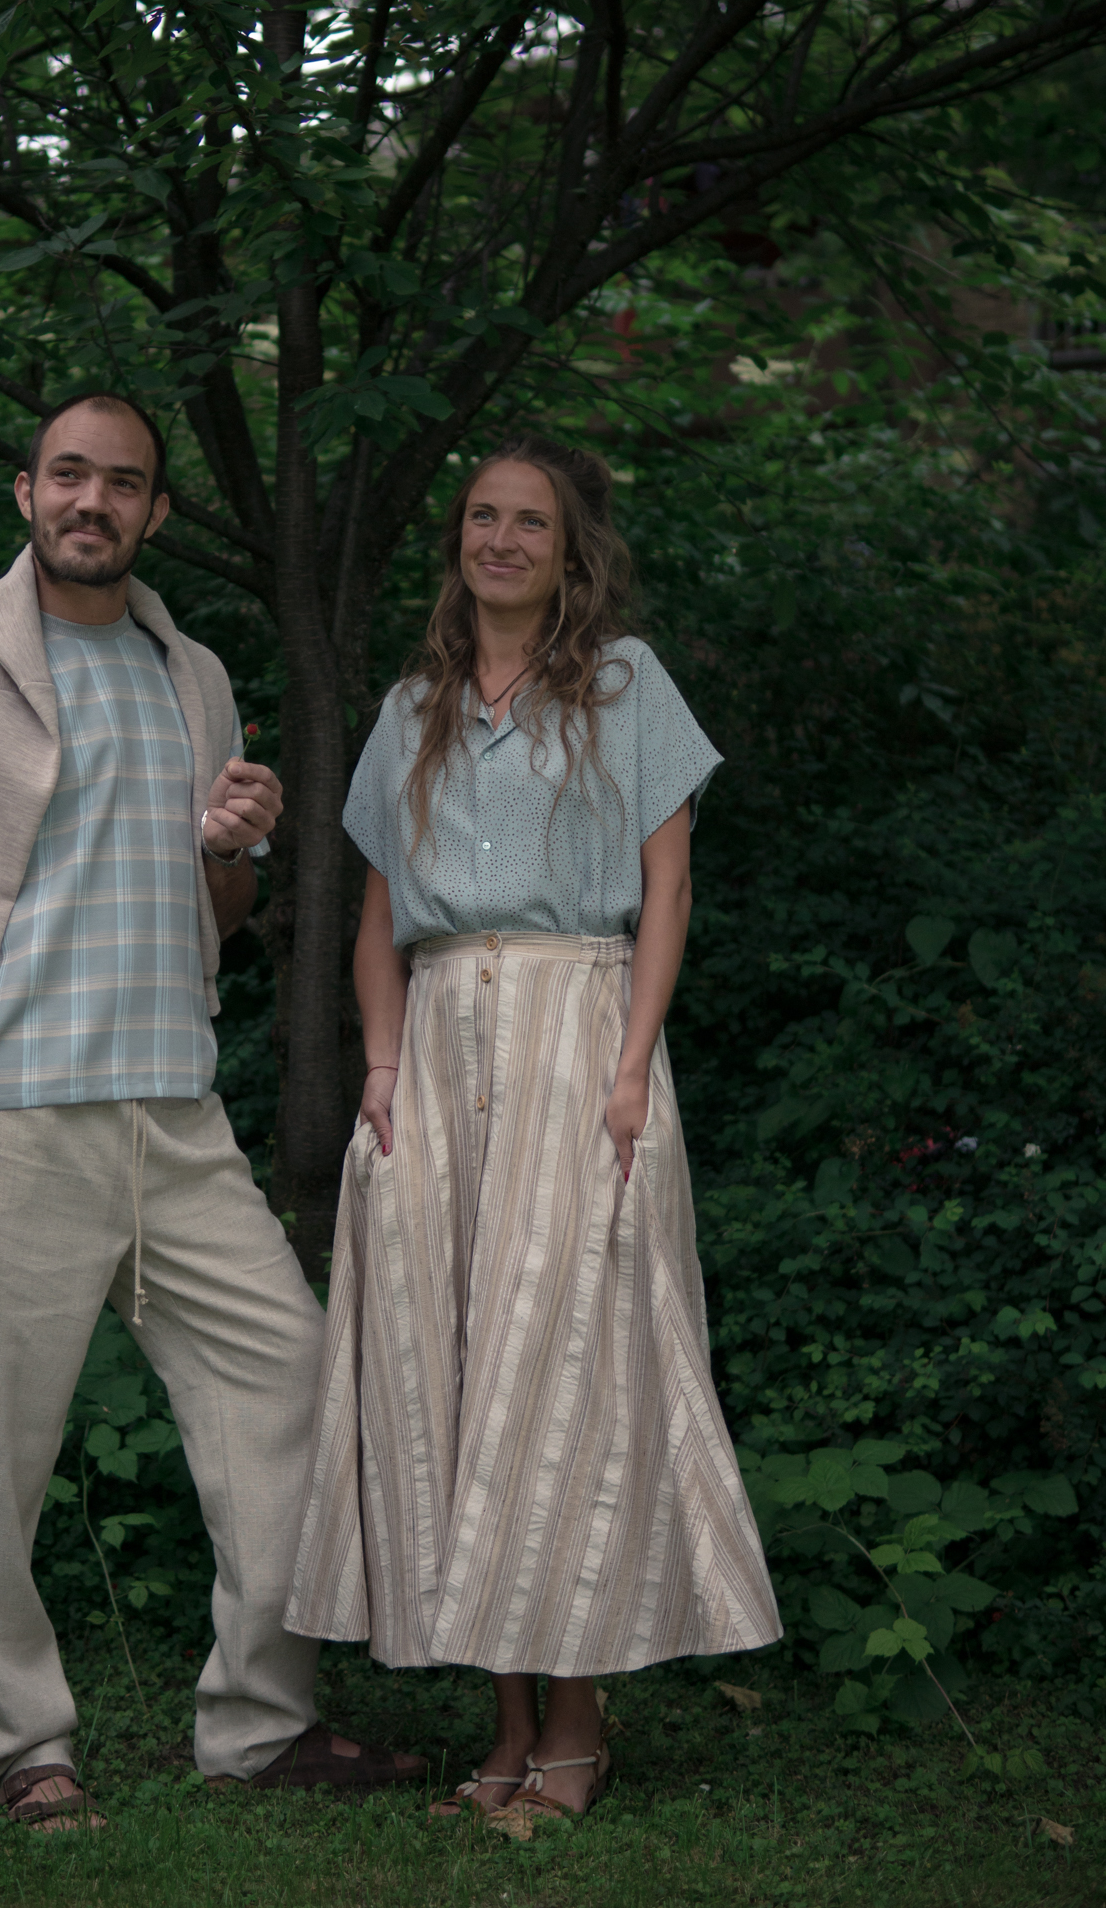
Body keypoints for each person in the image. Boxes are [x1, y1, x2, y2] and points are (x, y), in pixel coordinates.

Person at [0, 390, 422, 1828]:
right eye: (68, 475)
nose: (90, 502)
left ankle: (259, 1723)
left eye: (120, 483)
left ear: (156, 510)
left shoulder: (194, 676)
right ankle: (24, 1749)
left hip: (175, 1112)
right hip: (13, 1121)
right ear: (26, 493)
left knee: (291, 1381)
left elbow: (214, 914)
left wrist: (233, 847)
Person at [282, 433, 781, 1825]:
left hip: (578, 1034)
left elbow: (668, 889)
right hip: (437, 1050)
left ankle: (577, 1726)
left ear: (572, 552)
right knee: (448, 1370)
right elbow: (380, 917)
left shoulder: (625, 687)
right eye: (483, 517)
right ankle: (504, 1726)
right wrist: (382, 1066)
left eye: (531, 523)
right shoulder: (413, 708)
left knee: (565, 1368)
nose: (501, 540)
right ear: (460, 537)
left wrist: (631, 1070)